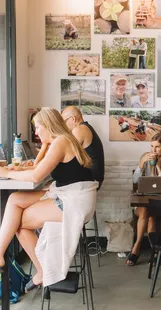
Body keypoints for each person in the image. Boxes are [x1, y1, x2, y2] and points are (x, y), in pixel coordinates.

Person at [0, 108, 98, 289]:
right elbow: (38, 166)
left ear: (49, 126)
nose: (36, 132)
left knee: (18, 223)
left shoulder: (61, 142)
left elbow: (37, 175)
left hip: (75, 201)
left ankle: (43, 270)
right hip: (72, 193)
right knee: (14, 198)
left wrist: (6, 172)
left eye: (38, 127)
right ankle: (0, 253)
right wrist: (43, 145)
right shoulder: (61, 140)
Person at [127, 133, 161, 266]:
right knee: (145, 210)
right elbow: (134, 181)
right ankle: (150, 250)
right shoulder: (145, 158)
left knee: (150, 216)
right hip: (143, 202)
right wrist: (141, 164)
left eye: (157, 147)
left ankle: (136, 250)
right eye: (151, 146)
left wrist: (158, 167)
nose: (153, 150)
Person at [61, 106, 105, 189]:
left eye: (64, 122)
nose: (64, 126)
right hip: (93, 178)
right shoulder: (86, 127)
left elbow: (68, 153)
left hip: (91, 180)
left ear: (73, 119)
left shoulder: (79, 129)